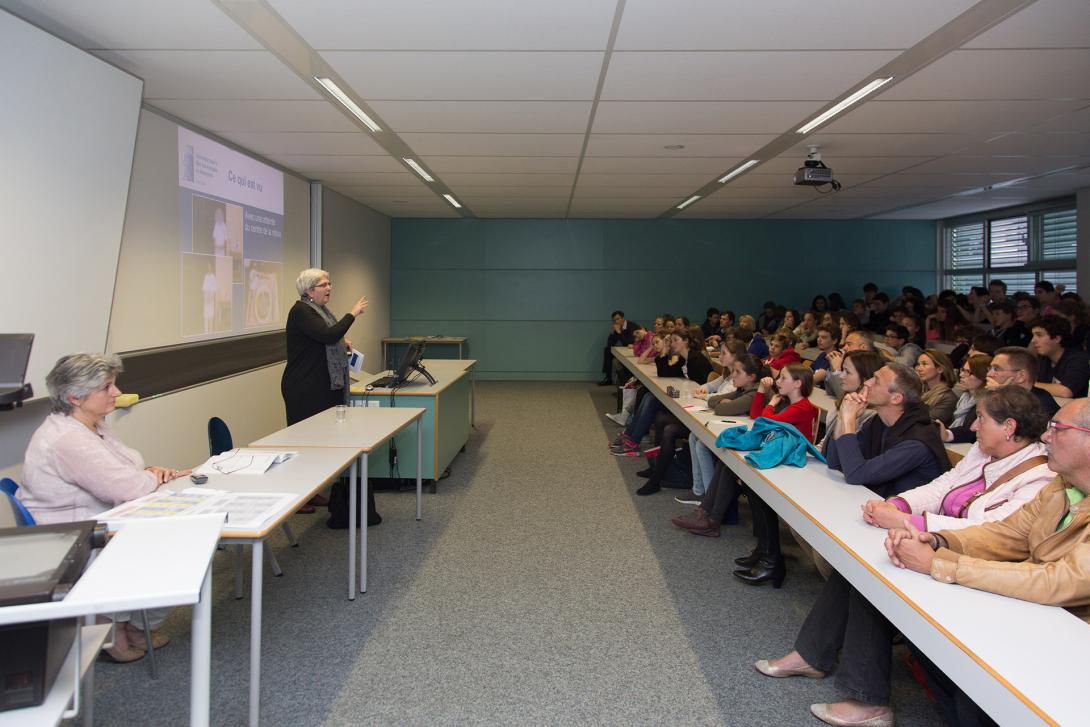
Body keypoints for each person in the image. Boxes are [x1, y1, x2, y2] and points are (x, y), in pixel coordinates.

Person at [757, 386, 1051, 727]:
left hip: (972, 566)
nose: (972, 426)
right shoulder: (985, 452)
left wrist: (911, 522)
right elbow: (942, 486)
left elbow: (991, 532)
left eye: (981, 419)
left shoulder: (1039, 477)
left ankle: (866, 700)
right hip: (937, 543)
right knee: (862, 568)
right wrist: (897, 505)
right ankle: (812, 656)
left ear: (1010, 427)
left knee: (875, 578)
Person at [884, 398, 1090, 725]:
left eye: (1058, 429)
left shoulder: (1056, 482)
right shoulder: (1060, 486)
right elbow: (1006, 534)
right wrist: (938, 540)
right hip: (1038, 612)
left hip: (1071, 637)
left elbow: (1060, 581)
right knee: (933, 638)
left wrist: (941, 564)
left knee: (971, 675)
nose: (1046, 437)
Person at [19, 353, 191, 663]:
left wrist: (148, 473)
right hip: (76, 535)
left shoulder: (89, 425)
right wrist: (148, 477)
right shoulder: (67, 440)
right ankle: (116, 629)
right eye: (106, 387)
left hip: (99, 518)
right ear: (75, 396)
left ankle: (132, 626)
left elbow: (126, 471)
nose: (116, 392)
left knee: (174, 535)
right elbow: (125, 487)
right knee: (175, 545)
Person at [282, 268, 368, 514]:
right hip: (305, 388)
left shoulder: (319, 311)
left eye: (329, 283)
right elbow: (328, 334)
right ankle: (298, 498)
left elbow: (329, 337)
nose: (329, 287)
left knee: (320, 442)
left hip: (323, 385)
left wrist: (343, 342)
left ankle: (312, 492)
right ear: (309, 290)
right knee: (305, 444)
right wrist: (352, 314)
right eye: (323, 284)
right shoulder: (301, 311)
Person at [733, 364, 820, 587]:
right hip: (785, 462)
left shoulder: (803, 407)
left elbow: (765, 421)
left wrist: (770, 403)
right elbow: (756, 417)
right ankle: (765, 550)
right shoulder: (790, 403)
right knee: (753, 487)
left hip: (798, 467)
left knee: (761, 493)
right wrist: (762, 394)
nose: (778, 381)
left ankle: (772, 560)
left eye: (783, 378)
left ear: (798, 383)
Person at [673, 353, 764, 516]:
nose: (733, 376)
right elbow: (713, 400)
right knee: (695, 436)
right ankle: (699, 490)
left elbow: (722, 408)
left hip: (755, 444)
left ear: (751, 377)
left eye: (738, 373)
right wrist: (723, 402)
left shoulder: (753, 393)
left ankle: (709, 501)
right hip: (743, 433)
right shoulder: (742, 390)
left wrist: (724, 404)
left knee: (702, 443)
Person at [1030, 315, 1090, 398]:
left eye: (1039, 335)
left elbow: (1066, 391)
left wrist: (1028, 383)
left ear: (1057, 339)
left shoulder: (1079, 359)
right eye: (1033, 335)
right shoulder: (1043, 359)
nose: (1033, 340)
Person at [825, 330, 877, 399]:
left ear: (863, 348)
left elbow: (845, 398)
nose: (844, 348)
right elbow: (830, 393)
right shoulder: (848, 363)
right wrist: (833, 366)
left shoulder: (874, 368)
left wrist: (837, 370)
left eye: (849, 344)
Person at [915, 348, 959, 425]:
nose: (919, 369)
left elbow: (925, 423)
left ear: (940, 369)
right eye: (918, 364)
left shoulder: (948, 398)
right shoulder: (918, 389)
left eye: (925, 364)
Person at [599, 310, 640, 386]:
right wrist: (612, 332)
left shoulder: (632, 326)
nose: (616, 321)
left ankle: (624, 381)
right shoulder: (617, 327)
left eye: (618, 319)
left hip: (633, 350)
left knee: (615, 359)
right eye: (614, 320)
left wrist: (619, 332)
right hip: (625, 350)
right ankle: (608, 377)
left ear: (623, 318)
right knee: (607, 350)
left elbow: (628, 342)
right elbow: (610, 343)